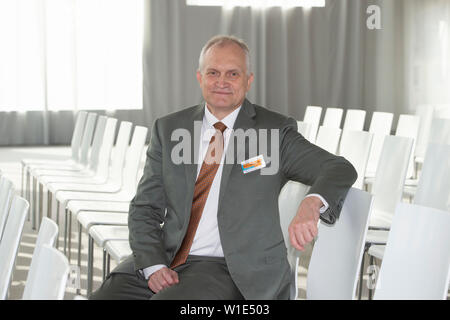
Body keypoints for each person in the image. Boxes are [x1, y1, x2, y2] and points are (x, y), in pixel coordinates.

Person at [90, 35, 357, 300]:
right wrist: (154, 265)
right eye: (213, 72)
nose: (221, 82)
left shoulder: (273, 132)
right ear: (200, 77)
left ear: (249, 80)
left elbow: (338, 167)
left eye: (233, 74)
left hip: (232, 268)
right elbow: (145, 207)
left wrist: (311, 204)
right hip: (170, 256)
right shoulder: (170, 129)